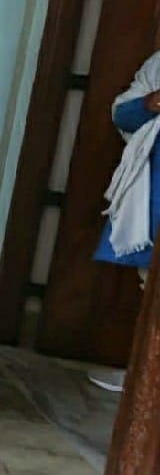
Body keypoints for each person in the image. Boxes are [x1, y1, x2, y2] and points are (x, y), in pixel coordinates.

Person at [88, 50, 160, 391]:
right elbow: (123, 113)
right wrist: (151, 104)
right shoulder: (158, 64)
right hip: (153, 196)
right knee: (152, 292)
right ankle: (143, 378)